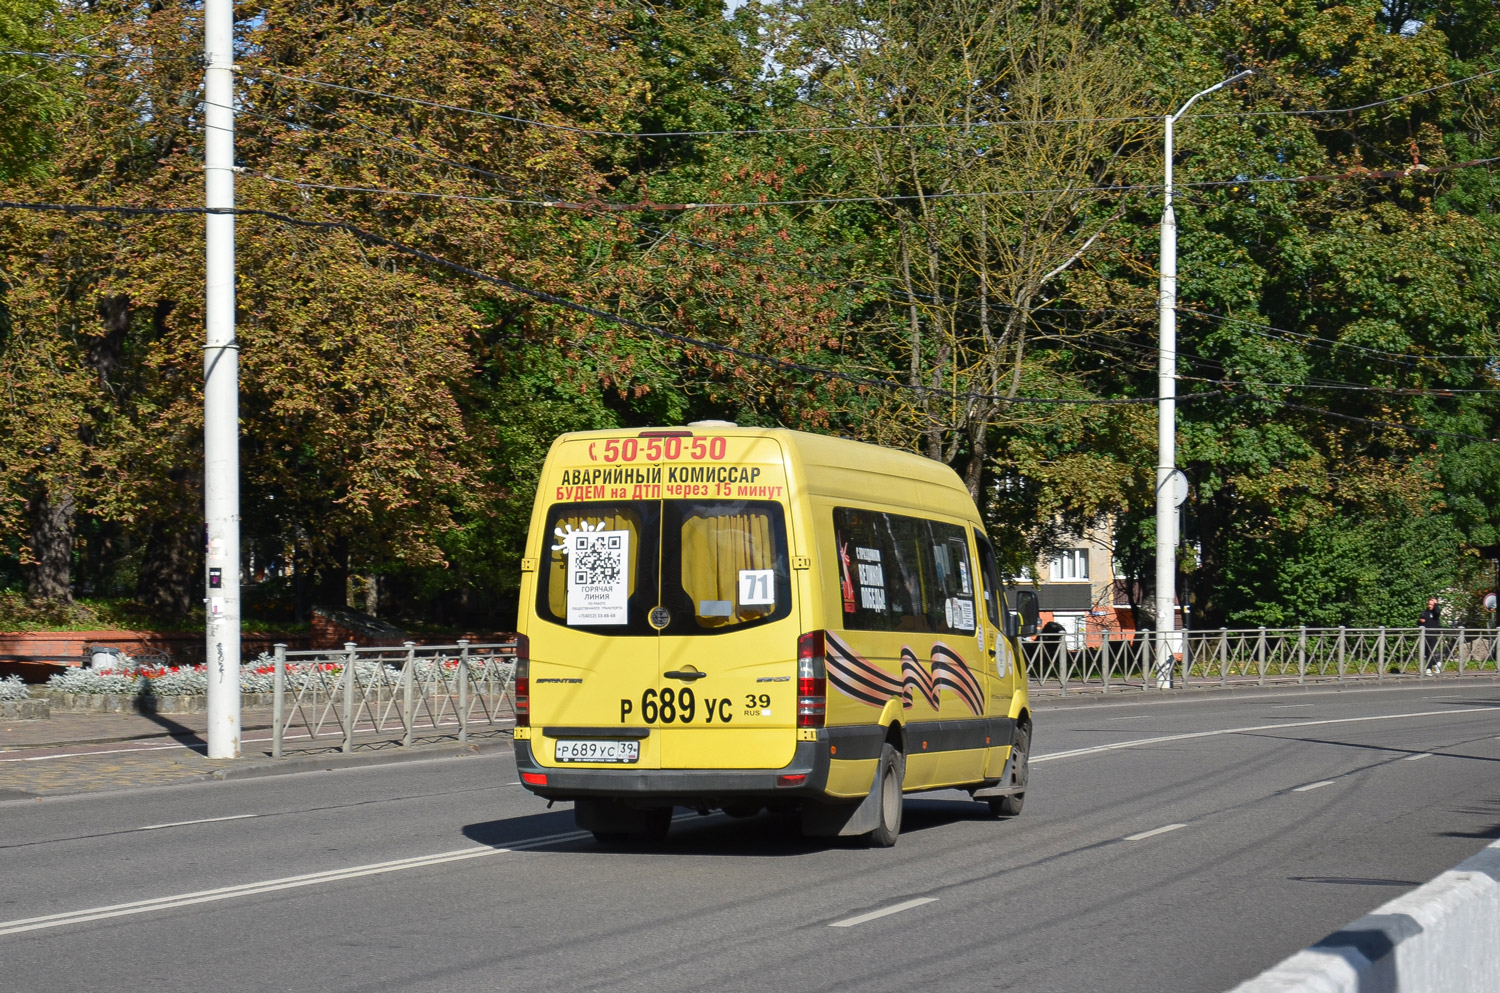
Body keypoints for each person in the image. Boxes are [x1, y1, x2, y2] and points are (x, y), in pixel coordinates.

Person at [1418, 596, 1443, 675]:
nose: (1429, 606)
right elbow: (1419, 621)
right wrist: (1420, 621)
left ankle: (1428, 668)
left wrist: (1436, 604)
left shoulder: (1435, 613)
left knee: (1430, 652)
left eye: (1431, 604)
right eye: (1429, 604)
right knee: (1426, 652)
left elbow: (1438, 612)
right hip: (1425, 635)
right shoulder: (1425, 612)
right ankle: (1436, 664)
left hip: (1433, 634)